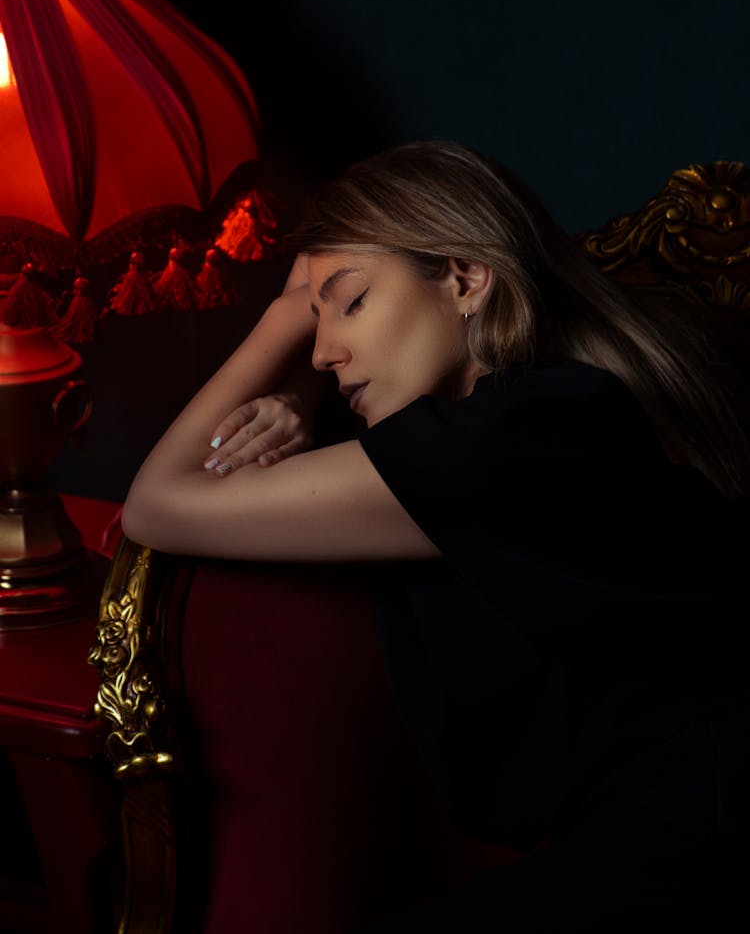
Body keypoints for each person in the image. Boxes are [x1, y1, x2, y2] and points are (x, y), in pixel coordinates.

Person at [122, 140, 750, 932]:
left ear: (464, 278)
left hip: (697, 838)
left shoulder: (500, 443)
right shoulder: (551, 412)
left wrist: (281, 315)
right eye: (312, 320)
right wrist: (299, 385)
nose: (323, 348)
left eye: (350, 303)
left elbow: (157, 500)